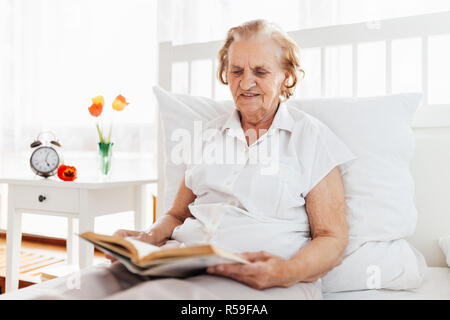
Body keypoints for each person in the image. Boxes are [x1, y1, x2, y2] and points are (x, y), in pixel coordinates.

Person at [6, 19, 355, 300]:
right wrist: (148, 237)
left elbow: (332, 238)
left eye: (260, 72)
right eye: (236, 71)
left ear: (287, 76)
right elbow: (177, 214)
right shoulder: (207, 136)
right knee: (64, 292)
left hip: (264, 282)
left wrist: (284, 271)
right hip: (180, 262)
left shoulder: (311, 138)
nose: (245, 82)